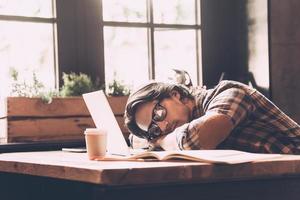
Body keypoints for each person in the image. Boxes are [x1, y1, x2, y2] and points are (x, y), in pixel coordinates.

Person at [124, 80, 300, 154]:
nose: (163, 127)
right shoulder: (169, 132)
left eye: (158, 113)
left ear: (175, 94)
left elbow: (196, 140)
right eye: (154, 129)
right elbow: (135, 139)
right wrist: (150, 139)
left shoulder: (230, 93)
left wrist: (159, 141)